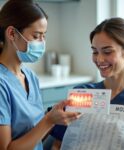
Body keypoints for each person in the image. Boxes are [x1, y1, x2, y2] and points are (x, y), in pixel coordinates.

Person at [50, 17, 124, 149]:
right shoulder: (82, 93)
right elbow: (58, 145)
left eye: (107, 51)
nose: (99, 59)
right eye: (95, 52)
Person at [0, 0, 80, 150]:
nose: (42, 43)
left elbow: (34, 135)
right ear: (12, 33)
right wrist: (49, 120)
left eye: (44, 36)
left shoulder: (30, 76)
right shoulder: (2, 84)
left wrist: (57, 117)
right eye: (36, 36)